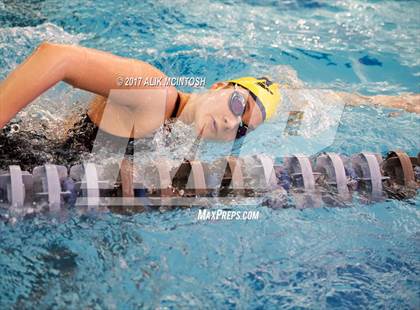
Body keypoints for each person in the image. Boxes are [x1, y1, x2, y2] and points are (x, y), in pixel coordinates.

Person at [0, 41, 419, 147]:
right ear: (219, 85)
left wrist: (384, 103)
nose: (230, 122)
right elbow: (55, 56)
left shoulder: (175, 134)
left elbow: (293, 96)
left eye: (241, 130)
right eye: (238, 105)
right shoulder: (154, 89)